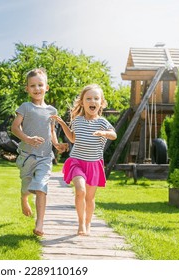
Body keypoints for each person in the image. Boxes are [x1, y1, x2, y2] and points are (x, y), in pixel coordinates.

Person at [51, 84, 117, 236]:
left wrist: (105, 133)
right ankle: (80, 223)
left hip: (94, 164)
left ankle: (88, 223)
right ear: (82, 102)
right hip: (77, 162)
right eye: (88, 98)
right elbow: (73, 138)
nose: (92, 101)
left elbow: (114, 135)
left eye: (96, 98)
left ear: (101, 103)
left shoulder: (102, 122)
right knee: (80, 191)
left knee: (90, 197)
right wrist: (61, 123)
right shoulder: (78, 120)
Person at [11, 68, 68, 237]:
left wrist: (57, 145)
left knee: (42, 187)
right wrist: (27, 139)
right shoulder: (25, 107)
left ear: (47, 87)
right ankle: (24, 198)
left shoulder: (52, 111)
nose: (37, 88)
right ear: (27, 89)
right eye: (32, 85)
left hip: (45, 156)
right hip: (27, 156)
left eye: (40, 85)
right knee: (28, 187)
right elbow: (14, 127)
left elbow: (51, 131)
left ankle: (40, 223)